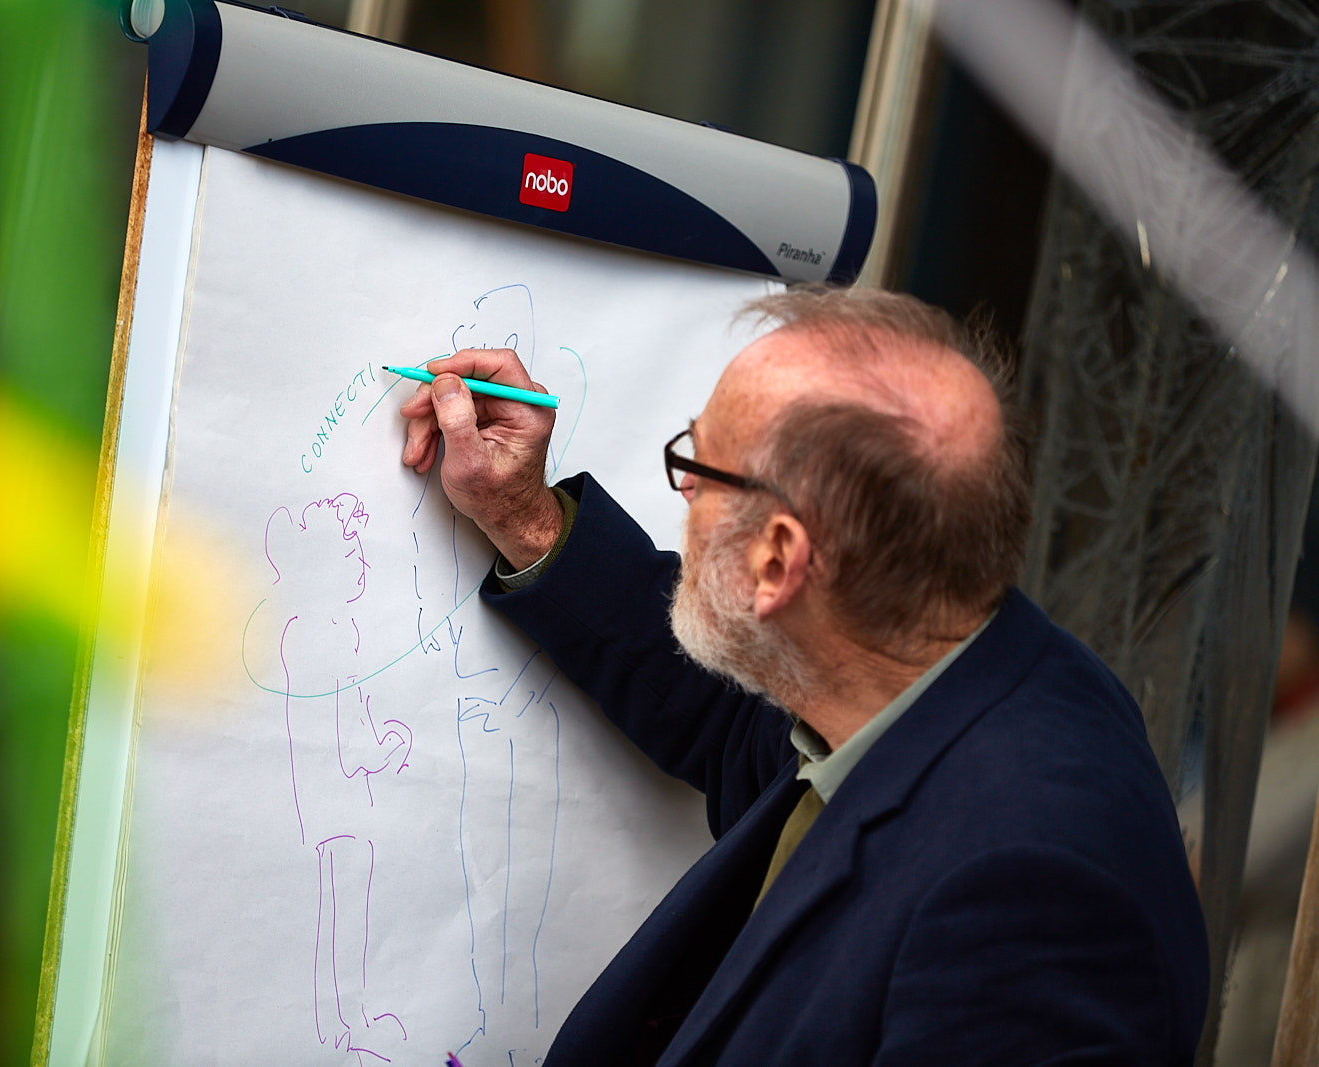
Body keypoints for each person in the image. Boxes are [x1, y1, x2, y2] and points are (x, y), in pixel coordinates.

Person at [397, 285, 1210, 1066]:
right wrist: (526, 516)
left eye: (698, 468)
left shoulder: (1028, 901)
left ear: (780, 558)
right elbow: (734, 719)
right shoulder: (929, 667)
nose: (684, 495)